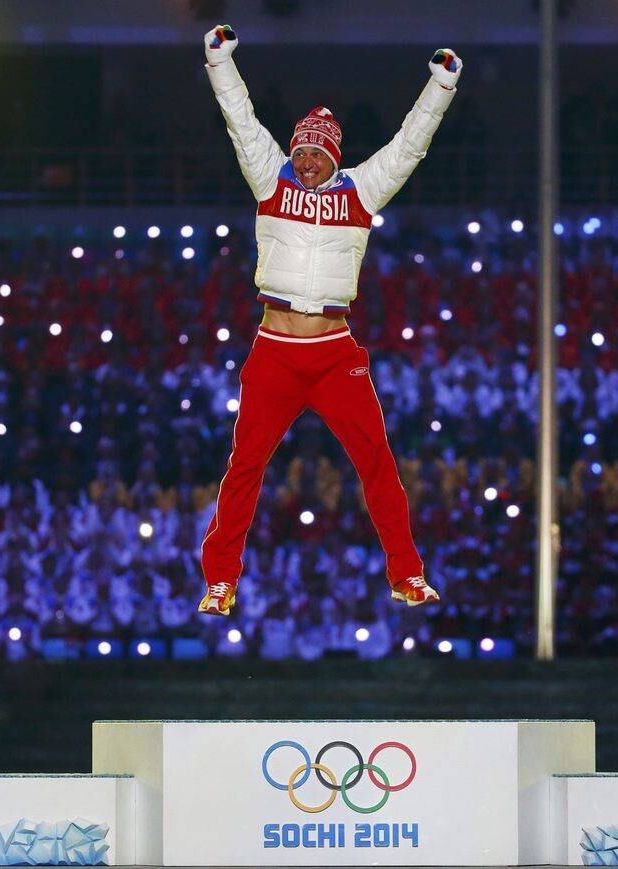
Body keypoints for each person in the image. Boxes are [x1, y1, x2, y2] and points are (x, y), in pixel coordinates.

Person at [197, 24, 461, 616]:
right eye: (302, 150)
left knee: (377, 461)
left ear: (335, 157)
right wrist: (219, 60)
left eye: (319, 153)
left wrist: (441, 85)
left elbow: (408, 146)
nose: (308, 161)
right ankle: (220, 580)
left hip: (335, 351)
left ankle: (407, 574)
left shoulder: (362, 192)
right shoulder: (270, 179)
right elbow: (240, 120)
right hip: (275, 348)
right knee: (245, 466)